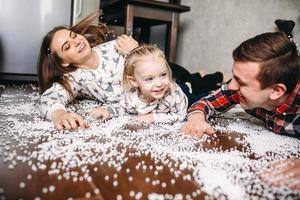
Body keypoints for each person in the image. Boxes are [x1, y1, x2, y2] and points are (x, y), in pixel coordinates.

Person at [180, 31, 300, 189]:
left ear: (276, 91)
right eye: (234, 76)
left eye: (240, 82)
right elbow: (206, 103)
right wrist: (196, 118)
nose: (231, 86)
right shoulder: (237, 89)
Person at [38, 10, 138, 130]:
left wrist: (137, 52)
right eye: (67, 46)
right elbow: (49, 98)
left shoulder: (117, 46)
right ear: (64, 62)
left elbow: (156, 65)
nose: (76, 42)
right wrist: (60, 115)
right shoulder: (75, 78)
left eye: (74, 36)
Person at [89, 44, 188, 124]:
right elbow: (121, 107)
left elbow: (181, 115)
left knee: (190, 88)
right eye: (149, 79)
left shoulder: (173, 94)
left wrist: (154, 117)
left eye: (163, 75)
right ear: (134, 81)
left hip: (183, 92)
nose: (159, 83)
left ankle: (190, 83)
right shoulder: (132, 97)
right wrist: (107, 110)